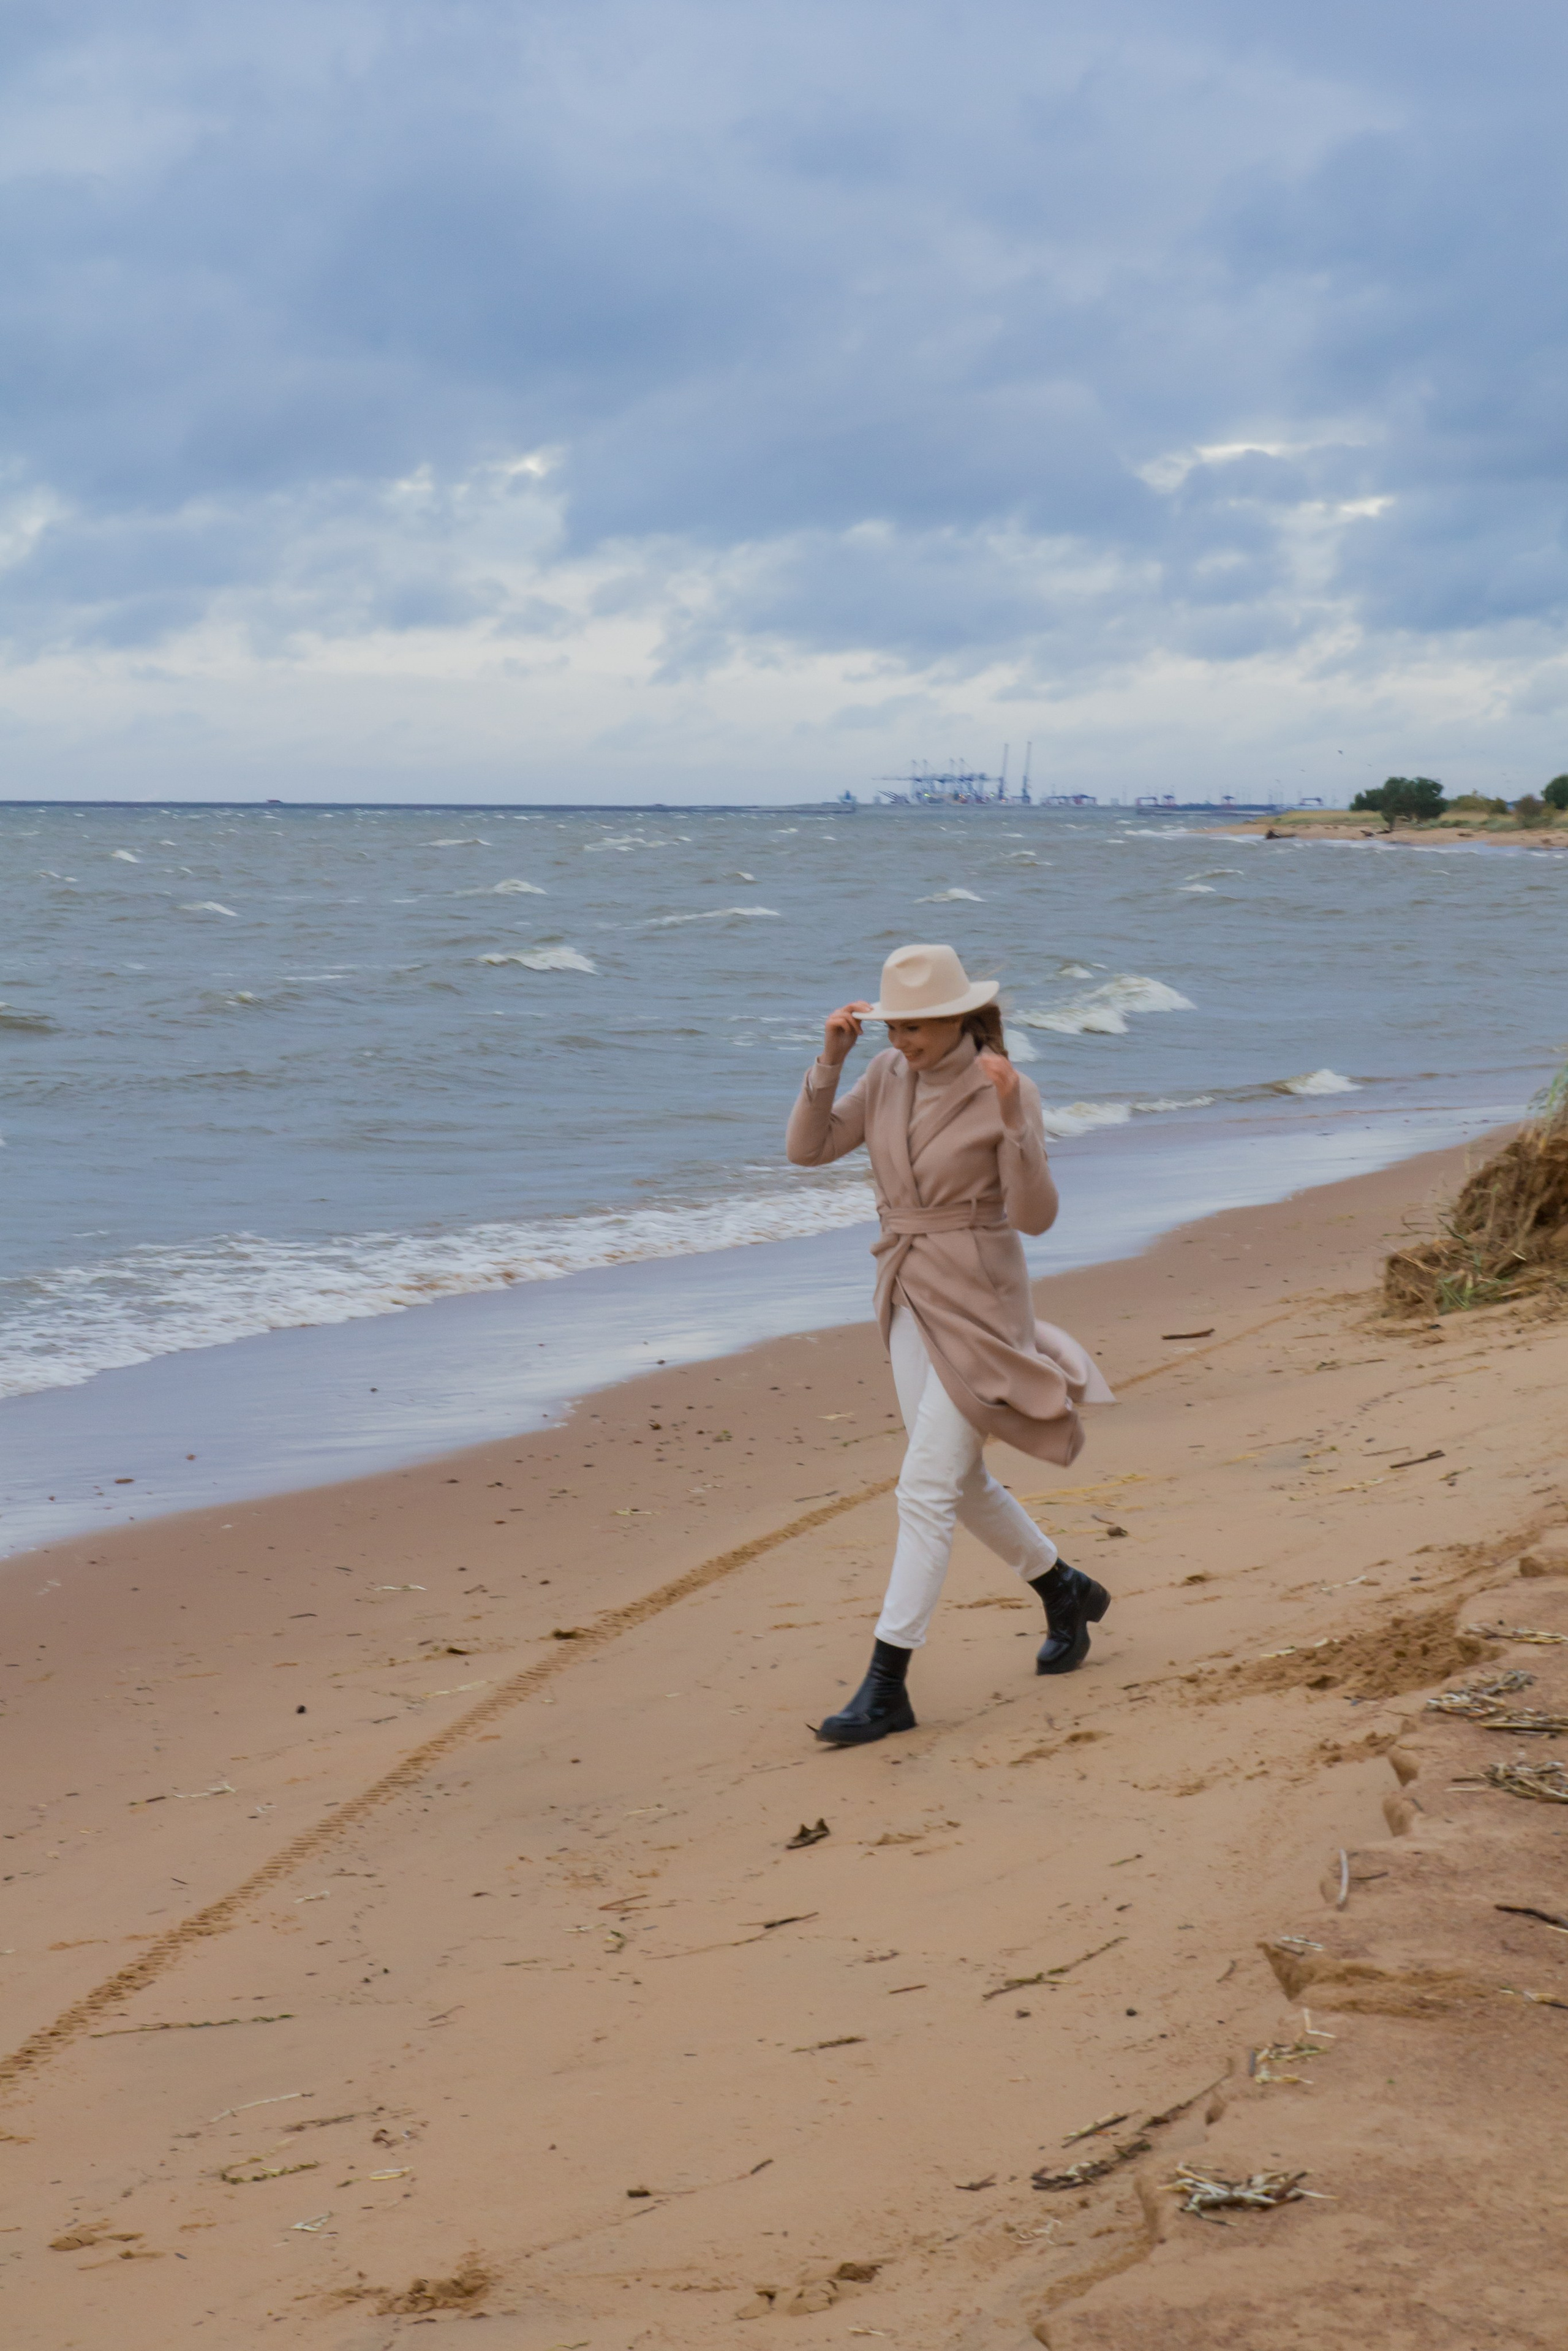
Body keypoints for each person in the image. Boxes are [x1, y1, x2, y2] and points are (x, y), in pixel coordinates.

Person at [786, 942, 1115, 1746]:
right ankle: (1063, 1588)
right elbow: (809, 1149)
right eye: (893, 1026)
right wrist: (830, 1061)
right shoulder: (884, 1074)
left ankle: (887, 1684)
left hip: (984, 1302)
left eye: (917, 1027)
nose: (902, 1041)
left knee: (925, 1487)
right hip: (907, 1290)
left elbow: (1036, 1217)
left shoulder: (1006, 1085)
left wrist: (1012, 1120)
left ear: (959, 1018)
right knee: (957, 1481)